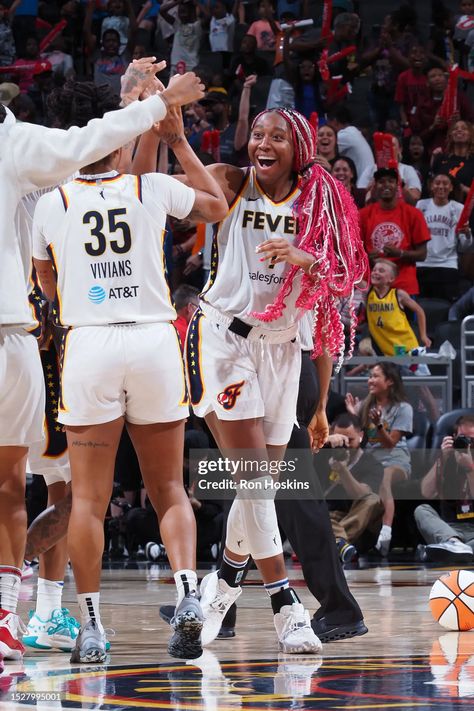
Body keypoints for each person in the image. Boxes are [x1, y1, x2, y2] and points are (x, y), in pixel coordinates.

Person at [0, 61, 206, 673]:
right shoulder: (54, 160)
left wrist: (139, 105)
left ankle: (61, 614)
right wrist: (169, 126)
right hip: (105, 340)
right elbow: (205, 200)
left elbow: (50, 280)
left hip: (71, 339)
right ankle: (193, 592)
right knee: (140, 488)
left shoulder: (48, 185)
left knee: (75, 497)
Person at [170, 106, 367, 652]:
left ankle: (223, 589)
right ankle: (286, 604)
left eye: (277, 136)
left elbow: (342, 281)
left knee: (259, 487)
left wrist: (322, 401)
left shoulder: (319, 203)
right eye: (257, 133)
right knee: (257, 481)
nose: (263, 143)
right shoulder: (232, 182)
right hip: (225, 340)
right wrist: (169, 133)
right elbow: (172, 193)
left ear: (300, 147)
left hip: (284, 352)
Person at [346, 362, 413, 557]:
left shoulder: (403, 408)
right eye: (370, 376)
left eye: (375, 376)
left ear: (390, 381)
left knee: (384, 475)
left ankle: (386, 533)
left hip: (396, 459)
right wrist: (353, 416)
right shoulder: (365, 406)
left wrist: (379, 425)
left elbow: (390, 443)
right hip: (370, 459)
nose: (370, 380)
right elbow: (358, 437)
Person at [320, 413, 384, 564]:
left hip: (362, 528)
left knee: (373, 500)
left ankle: (337, 542)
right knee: (315, 511)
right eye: (340, 440)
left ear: (361, 435)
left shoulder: (372, 463)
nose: (345, 445)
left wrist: (343, 471)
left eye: (350, 440)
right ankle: (341, 545)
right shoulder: (323, 457)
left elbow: (362, 495)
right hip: (332, 519)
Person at [359, 167, 430, 296]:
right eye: (381, 182)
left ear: (398, 186)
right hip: (372, 285)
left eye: (391, 181)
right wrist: (367, 257)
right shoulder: (363, 215)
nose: (386, 185)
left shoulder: (414, 214)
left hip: (404, 286)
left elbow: (422, 254)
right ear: (375, 187)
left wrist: (400, 253)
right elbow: (355, 252)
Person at [415, 414, 474, 563]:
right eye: (462, 438)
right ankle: (455, 544)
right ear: (453, 437)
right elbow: (426, 492)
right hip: (448, 529)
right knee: (422, 509)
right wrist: (442, 458)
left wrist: (469, 468)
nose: (467, 443)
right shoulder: (446, 458)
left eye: (471, 439)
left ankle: (451, 549)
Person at [366, 259, 431, 356]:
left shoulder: (398, 294)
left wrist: (423, 335)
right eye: (374, 270)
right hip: (384, 347)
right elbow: (353, 277)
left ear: (391, 279)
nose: (375, 272)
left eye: (381, 271)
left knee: (412, 370)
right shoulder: (368, 293)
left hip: (404, 345)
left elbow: (419, 311)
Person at [416, 172, 465, 301]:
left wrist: (468, 235)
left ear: (451, 187)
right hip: (423, 264)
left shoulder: (459, 208)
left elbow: (465, 245)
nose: (441, 186)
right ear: (431, 186)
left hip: (448, 265)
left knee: (445, 308)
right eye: (437, 183)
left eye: (445, 183)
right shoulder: (421, 205)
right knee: (422, 307)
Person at [327, 106, 374, 182]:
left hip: (362, 184)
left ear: (335, 121)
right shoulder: (352, 132)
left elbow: (323, 150)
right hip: (365, 179)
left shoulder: (346, 135)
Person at [173, 284, 200, 352]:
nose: (201, 313)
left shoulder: (164, 325)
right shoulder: (189, 335)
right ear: (190, 307)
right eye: (199, 308)